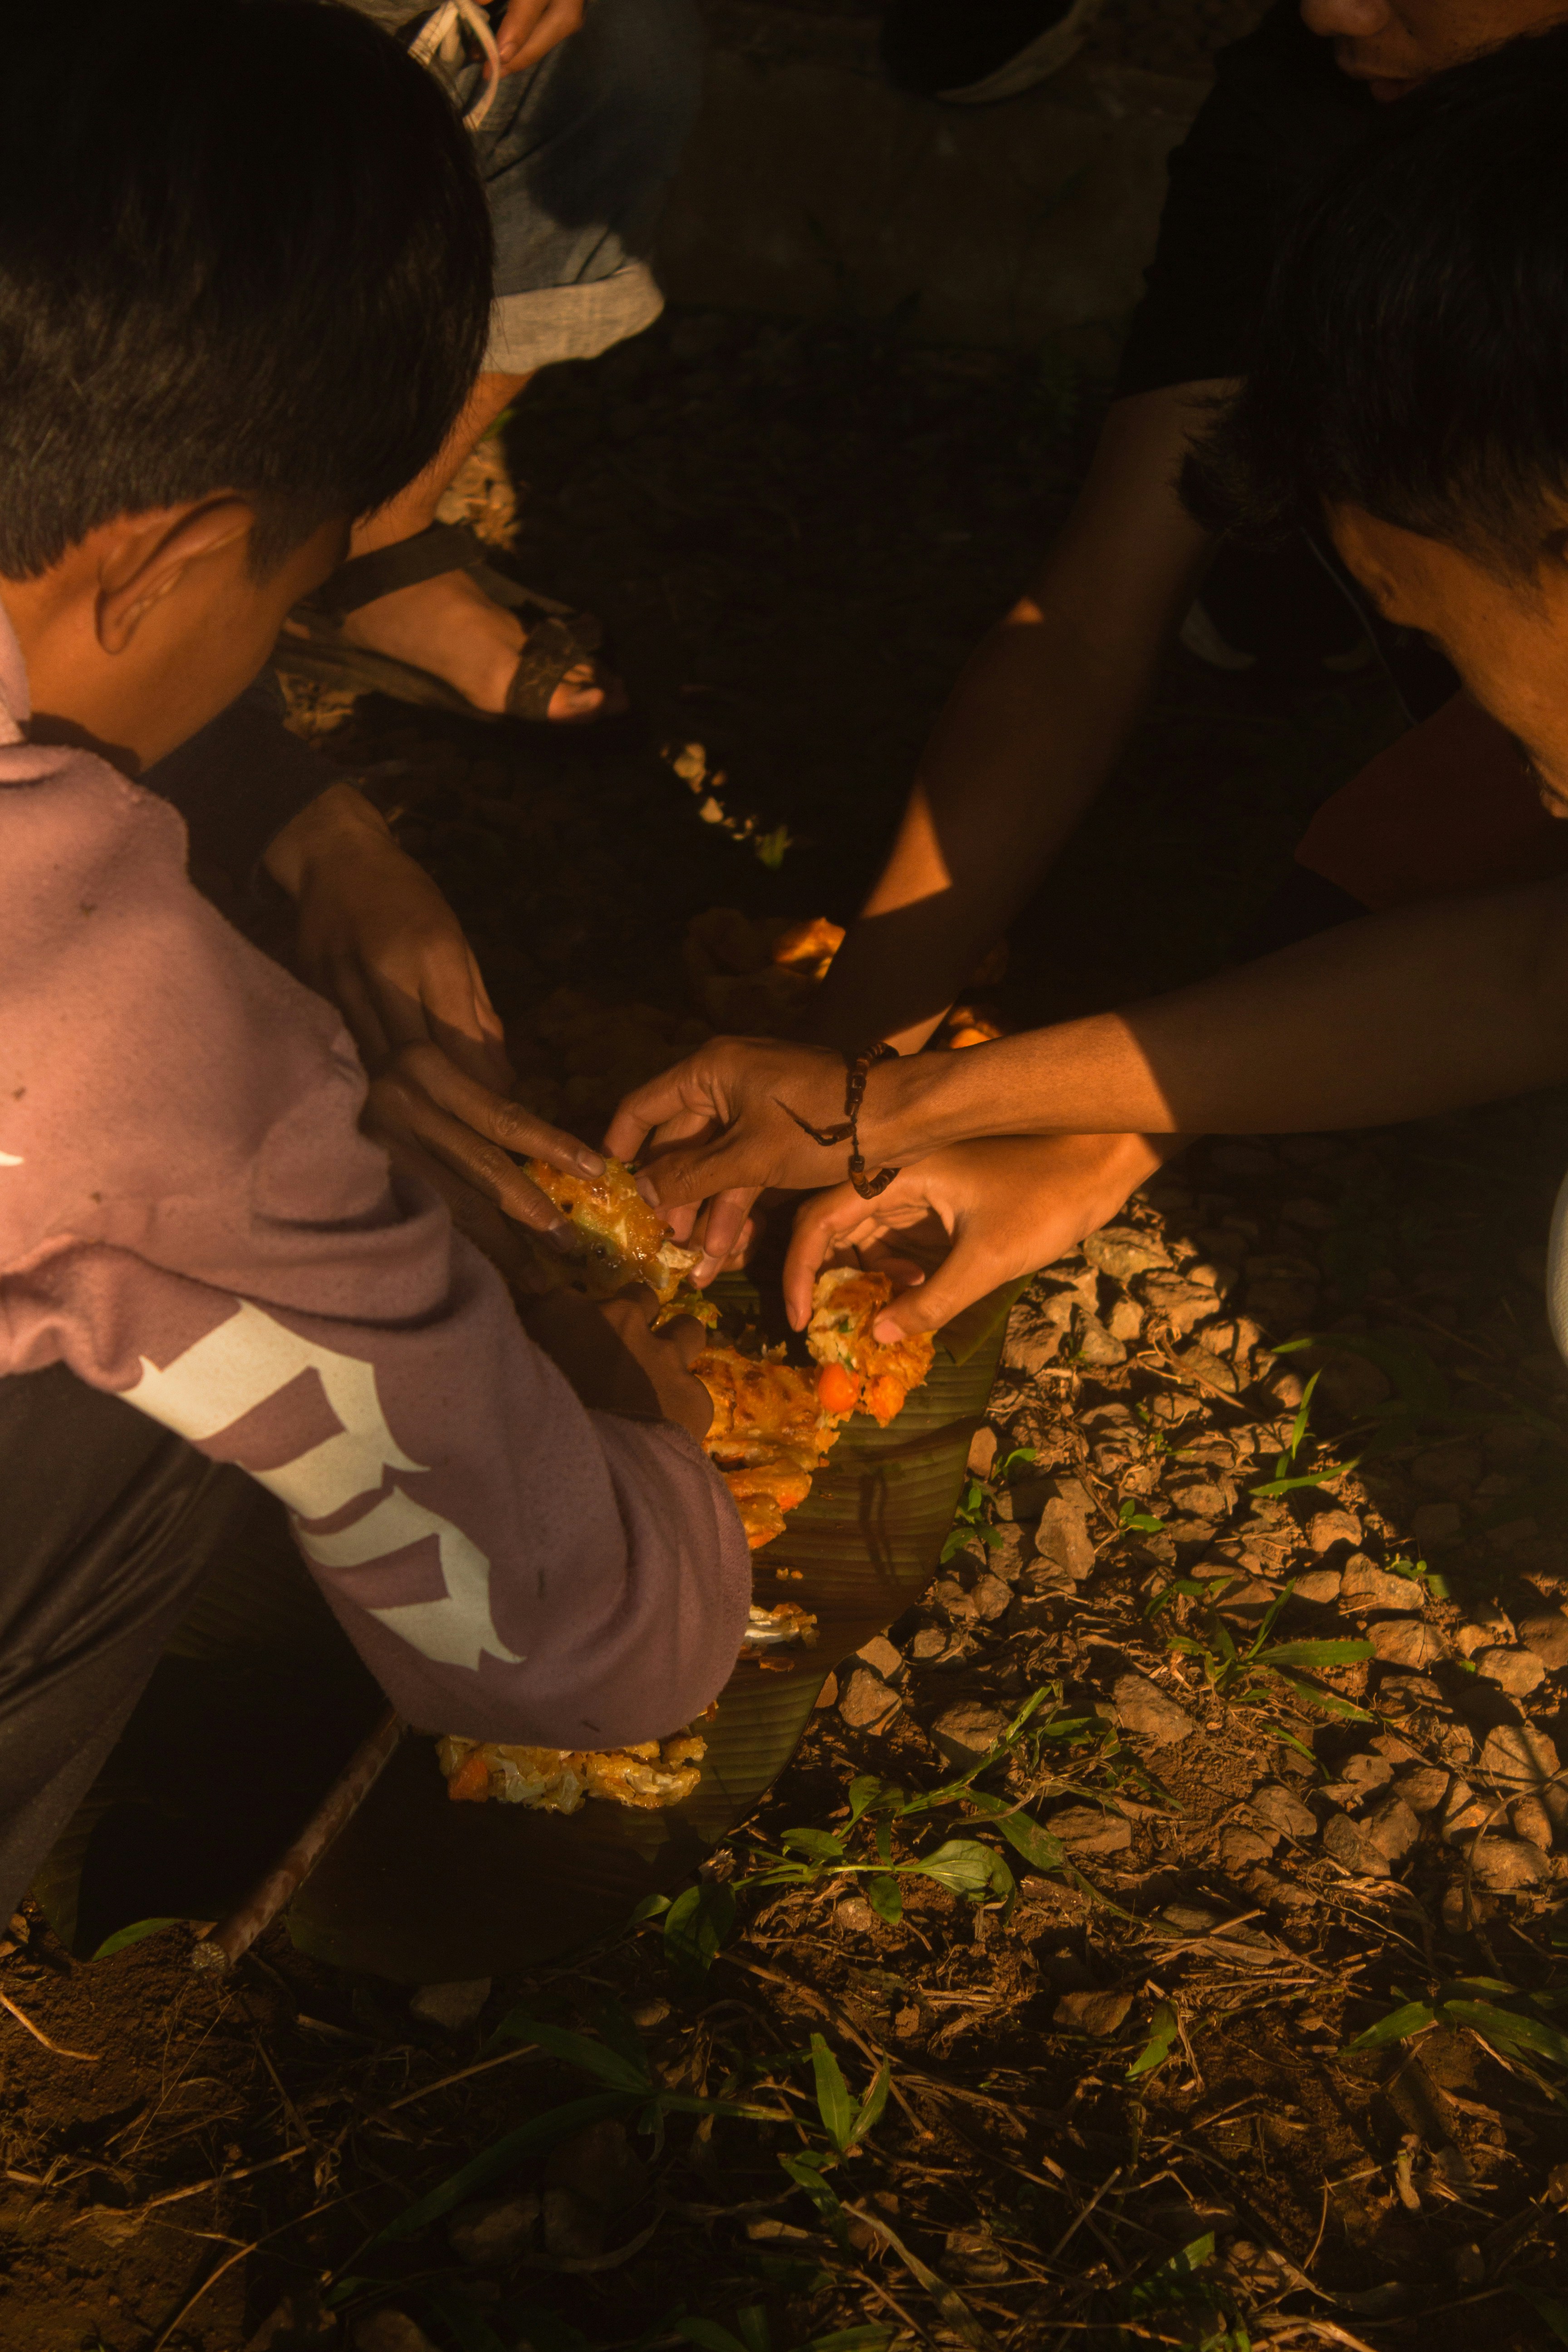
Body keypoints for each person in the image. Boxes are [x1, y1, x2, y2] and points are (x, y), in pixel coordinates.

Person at [0, 0, 748, 1924]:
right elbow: (588, 1643)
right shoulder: (132, 1036)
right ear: (174, 561)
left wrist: (310, 828)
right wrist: (595, 1328)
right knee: (149, 1371)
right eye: (291, 588)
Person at [605, 21, 1568, 1354]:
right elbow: (1525, 968)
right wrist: (903, 1102)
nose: (1340, 9)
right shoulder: (1324, 137)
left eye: (1440, 636)